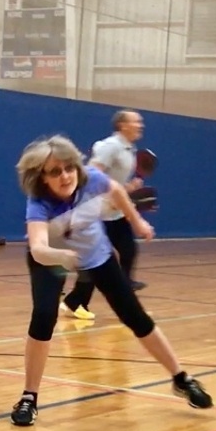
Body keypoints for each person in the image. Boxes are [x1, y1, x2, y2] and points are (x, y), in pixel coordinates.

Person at [11, 134, 212, 426]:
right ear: (42, 178)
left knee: (135, 317)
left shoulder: (90, 178)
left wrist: (137, 221)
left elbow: (116, 190)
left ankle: (182, 379)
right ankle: (29, 397)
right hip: (53, 259)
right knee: (43, 316)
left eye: (68, 167)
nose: (65, 175)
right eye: (55, 171)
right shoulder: (39, 202)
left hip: (96, 255)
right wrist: (62, 257)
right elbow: (39, 249)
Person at [60, 109, 147, 321]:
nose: (140, 125)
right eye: (136, 122)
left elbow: (114, 181)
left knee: (128, 251)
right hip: (98, 212)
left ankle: (127, 302)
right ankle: (75, 301)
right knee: (97, 258)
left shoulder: (128, 149)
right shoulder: (112, 146)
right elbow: (91, 173)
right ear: (123, 125)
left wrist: (127, 189)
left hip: (114, 212)